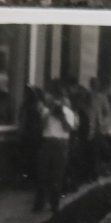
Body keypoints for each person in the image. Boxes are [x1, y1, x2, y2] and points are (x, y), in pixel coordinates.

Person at [37, 80, 76, 213]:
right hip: (47, 142)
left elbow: (68, 129)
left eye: (60, 98)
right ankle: (39, 204)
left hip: (61, 143)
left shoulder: (68, 113)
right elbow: (41, 127)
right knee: (42, 174)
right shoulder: (46, 111)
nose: (57, 101)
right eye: (55, 98)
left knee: (57, 176)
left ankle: (54, 204)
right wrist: (49, 113)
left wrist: (61, 116)